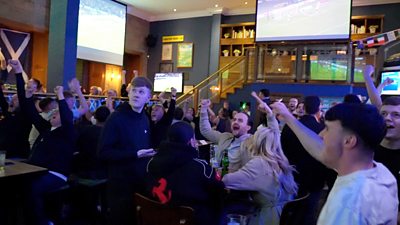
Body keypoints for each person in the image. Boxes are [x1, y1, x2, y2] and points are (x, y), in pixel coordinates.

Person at [271, 101, 398, 225]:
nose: (321, 135)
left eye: (327, 129)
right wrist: (288, 117)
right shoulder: (380, 173)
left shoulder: (346, 206)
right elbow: (319, 149)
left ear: (348, 141)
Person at [223, 102, 297, 225]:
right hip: (282, 214)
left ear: (258, 142)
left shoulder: (260, 164)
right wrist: (269, 113)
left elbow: (226, 181)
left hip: (266, 219)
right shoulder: (279, 158)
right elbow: (275, 134)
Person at [98, 76, 156, 225]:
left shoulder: (144, 118)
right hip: (120, 184)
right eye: (134, 91)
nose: (136, 94)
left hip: (139, 182)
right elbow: (103, 153)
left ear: (148, 98)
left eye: (141, 92)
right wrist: (135, 154)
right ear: (128, 93)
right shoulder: (116, 118)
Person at [145, 121, 225, 225]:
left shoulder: (150, 163)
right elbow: (219, 190)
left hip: (155, 219)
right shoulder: (201, 168)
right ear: (191, 141)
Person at [280, 96, 328, 225]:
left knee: (289, 214)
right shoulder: (323, 130)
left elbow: (282, 151)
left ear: (303, 107)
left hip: (291, 177)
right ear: (319, 109)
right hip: (314, 180)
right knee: (308, 215)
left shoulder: (289, 127)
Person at [200, 99, 252, 172]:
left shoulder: (252, 142)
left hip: (236, 182)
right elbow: (206, 131)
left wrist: (271, 116)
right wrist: (204, 108)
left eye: (240, 120)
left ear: (248, 127)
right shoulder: (225, 137)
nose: (235, 122)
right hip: (218, 180)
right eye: (234, 119)